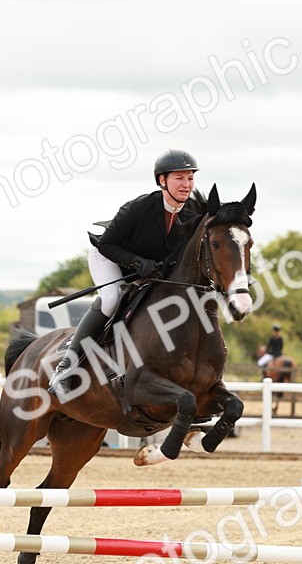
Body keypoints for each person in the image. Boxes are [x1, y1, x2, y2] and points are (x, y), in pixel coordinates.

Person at [49, 149, 206, 390]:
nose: (186, 185)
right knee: (112, 298)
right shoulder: (139, 208)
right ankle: (65, 368)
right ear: (162, 180)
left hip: (150, 270)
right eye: (179, 178)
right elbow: (106, 245)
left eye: (190, 178)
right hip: (109, 256)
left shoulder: (193, 213)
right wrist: (138, 263)